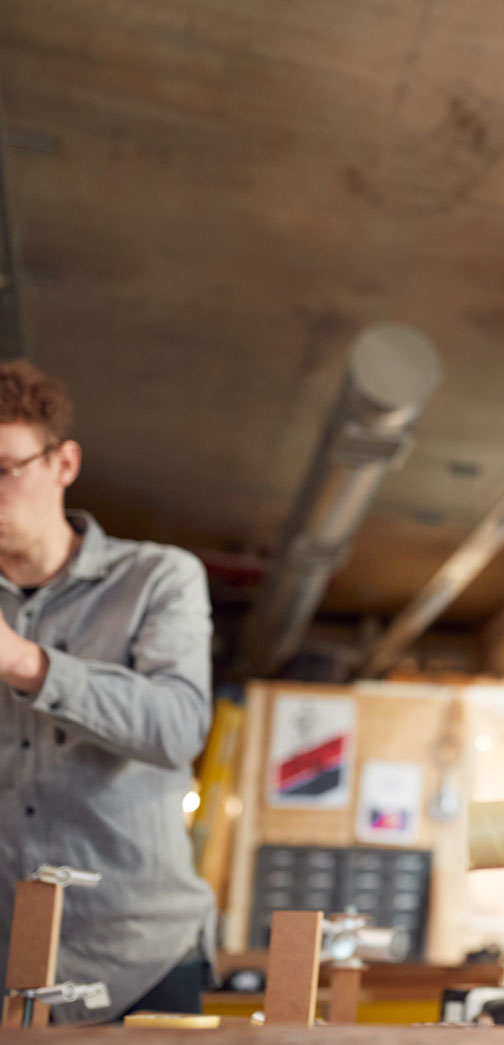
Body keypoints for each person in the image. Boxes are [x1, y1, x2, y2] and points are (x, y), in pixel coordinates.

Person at [0, 361, 215, 1024]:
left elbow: (178, 726)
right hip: (8, 962)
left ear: (63, 462)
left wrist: (26, 661)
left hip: (141, 956)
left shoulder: (159, 578)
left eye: (5, 468)